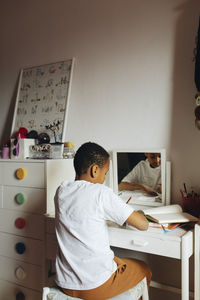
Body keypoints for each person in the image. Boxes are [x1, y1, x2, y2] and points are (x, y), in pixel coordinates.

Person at [54, 142, 152, 300]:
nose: (104, 178)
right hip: (94, 286)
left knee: (116, 260)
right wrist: (136, 214)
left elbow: (84, 212)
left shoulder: (61, 191)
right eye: (105, 173)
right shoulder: (100, 193)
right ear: (94, 170)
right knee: (144, 269)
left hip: (65, 282)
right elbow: (143, 224)